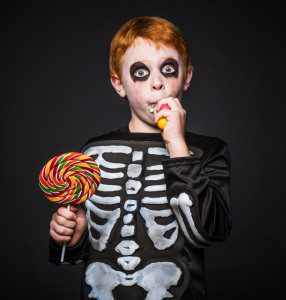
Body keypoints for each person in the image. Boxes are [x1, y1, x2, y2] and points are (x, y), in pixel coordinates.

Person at [49, 16, 232, 300]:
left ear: (187, 78)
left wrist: (176, 144)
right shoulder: (92, 152)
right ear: (118, 83)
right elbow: (74, 257)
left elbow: (210, 232)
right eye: (141, 72)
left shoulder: (206, 150)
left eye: (168, 69)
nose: (157, 83)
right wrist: (72, 241)